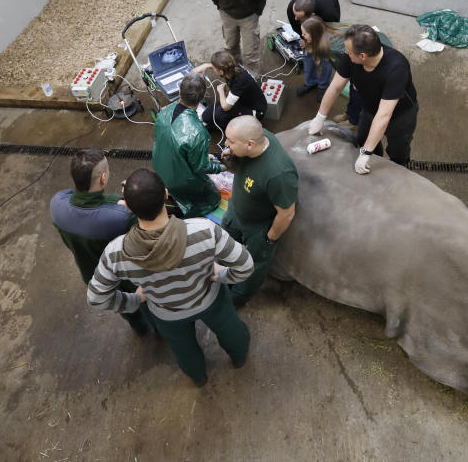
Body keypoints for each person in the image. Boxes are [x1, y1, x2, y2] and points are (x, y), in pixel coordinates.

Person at [87, 169, 254, 387]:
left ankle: (199, 378)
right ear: (166, 195)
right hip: (210, 299)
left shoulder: (115, 252)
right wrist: (219, 275)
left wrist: (134, 300)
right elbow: (246, 266)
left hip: (166, 313)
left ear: (126, 206)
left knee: (184, 349)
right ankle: (239, 359)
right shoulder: (204, 230)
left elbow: (96, 298)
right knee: (231, 331)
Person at [50, 149, 151, 336]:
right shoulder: (120, 217)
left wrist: (115, 202)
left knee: (124, 309)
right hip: (123, 275)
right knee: (140, 301)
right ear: (103, 178)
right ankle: (154, 328)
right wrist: (128, 200)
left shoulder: (56, 204)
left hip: (92, 274)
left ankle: (139, 329)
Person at [310, 24, 419, 173]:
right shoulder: (351, 57)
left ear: (362, 56)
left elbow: (384, 115)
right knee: (363, 138)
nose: (345, 54)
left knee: (398, 150)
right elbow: (335, 87)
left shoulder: (396, 68)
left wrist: (365, 153)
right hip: (369, 107)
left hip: (400, 115)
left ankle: (400, 169)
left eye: (349, 52)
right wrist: (320, 117)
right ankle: (374, 157)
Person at [220, 115, 298, 306]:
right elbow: (239, 167)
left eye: (230, 141)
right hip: (236, 211)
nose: (225, 144)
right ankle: (223, 276)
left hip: (257, 227)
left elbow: (287, 214)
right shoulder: (253, 141)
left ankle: (237, 297)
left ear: (250, 144)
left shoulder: (279, 174)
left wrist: (269, 239)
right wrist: (230, 158)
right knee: (224, 247)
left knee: (253, 266)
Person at [151, 72, 223, 218]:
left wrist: (202, 155)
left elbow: (172, 143)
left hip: (159, 167)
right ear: (202, 98)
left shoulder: (164, 113)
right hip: (181, 181)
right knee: (213, 199)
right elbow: (200, 167)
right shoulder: (197, 132)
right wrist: (221, 167)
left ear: (179, 92)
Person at [205, 0, 268, 78]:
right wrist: (222, 8)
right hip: (227, 15)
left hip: (248, 17)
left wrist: (257, 13)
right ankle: (234, 72)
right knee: (230, 47)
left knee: (250, 52)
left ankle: (251, 77)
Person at [193, 50, 267, 133]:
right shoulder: (233, 67)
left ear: (221, 72)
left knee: (220, 116)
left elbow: (226, 107)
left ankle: (228, 129)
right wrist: (205, 65)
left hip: (255, 111)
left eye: (214, 68)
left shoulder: (239, 81)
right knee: (206, 116)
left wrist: (220, 91)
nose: (212, 69)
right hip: (241, 101)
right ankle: (205, 121)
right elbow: (222, 66)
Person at [296, 16, 333, 102]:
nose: (302, 35)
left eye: (304, 34)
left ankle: (323, 85)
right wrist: (306, 41)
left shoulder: (327, 44)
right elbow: (307, 39)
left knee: (326, 64)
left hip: (325, 47)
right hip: (313, 41)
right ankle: (310, 82)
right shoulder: (311, 36)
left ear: (314, 35)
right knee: (308, 56)